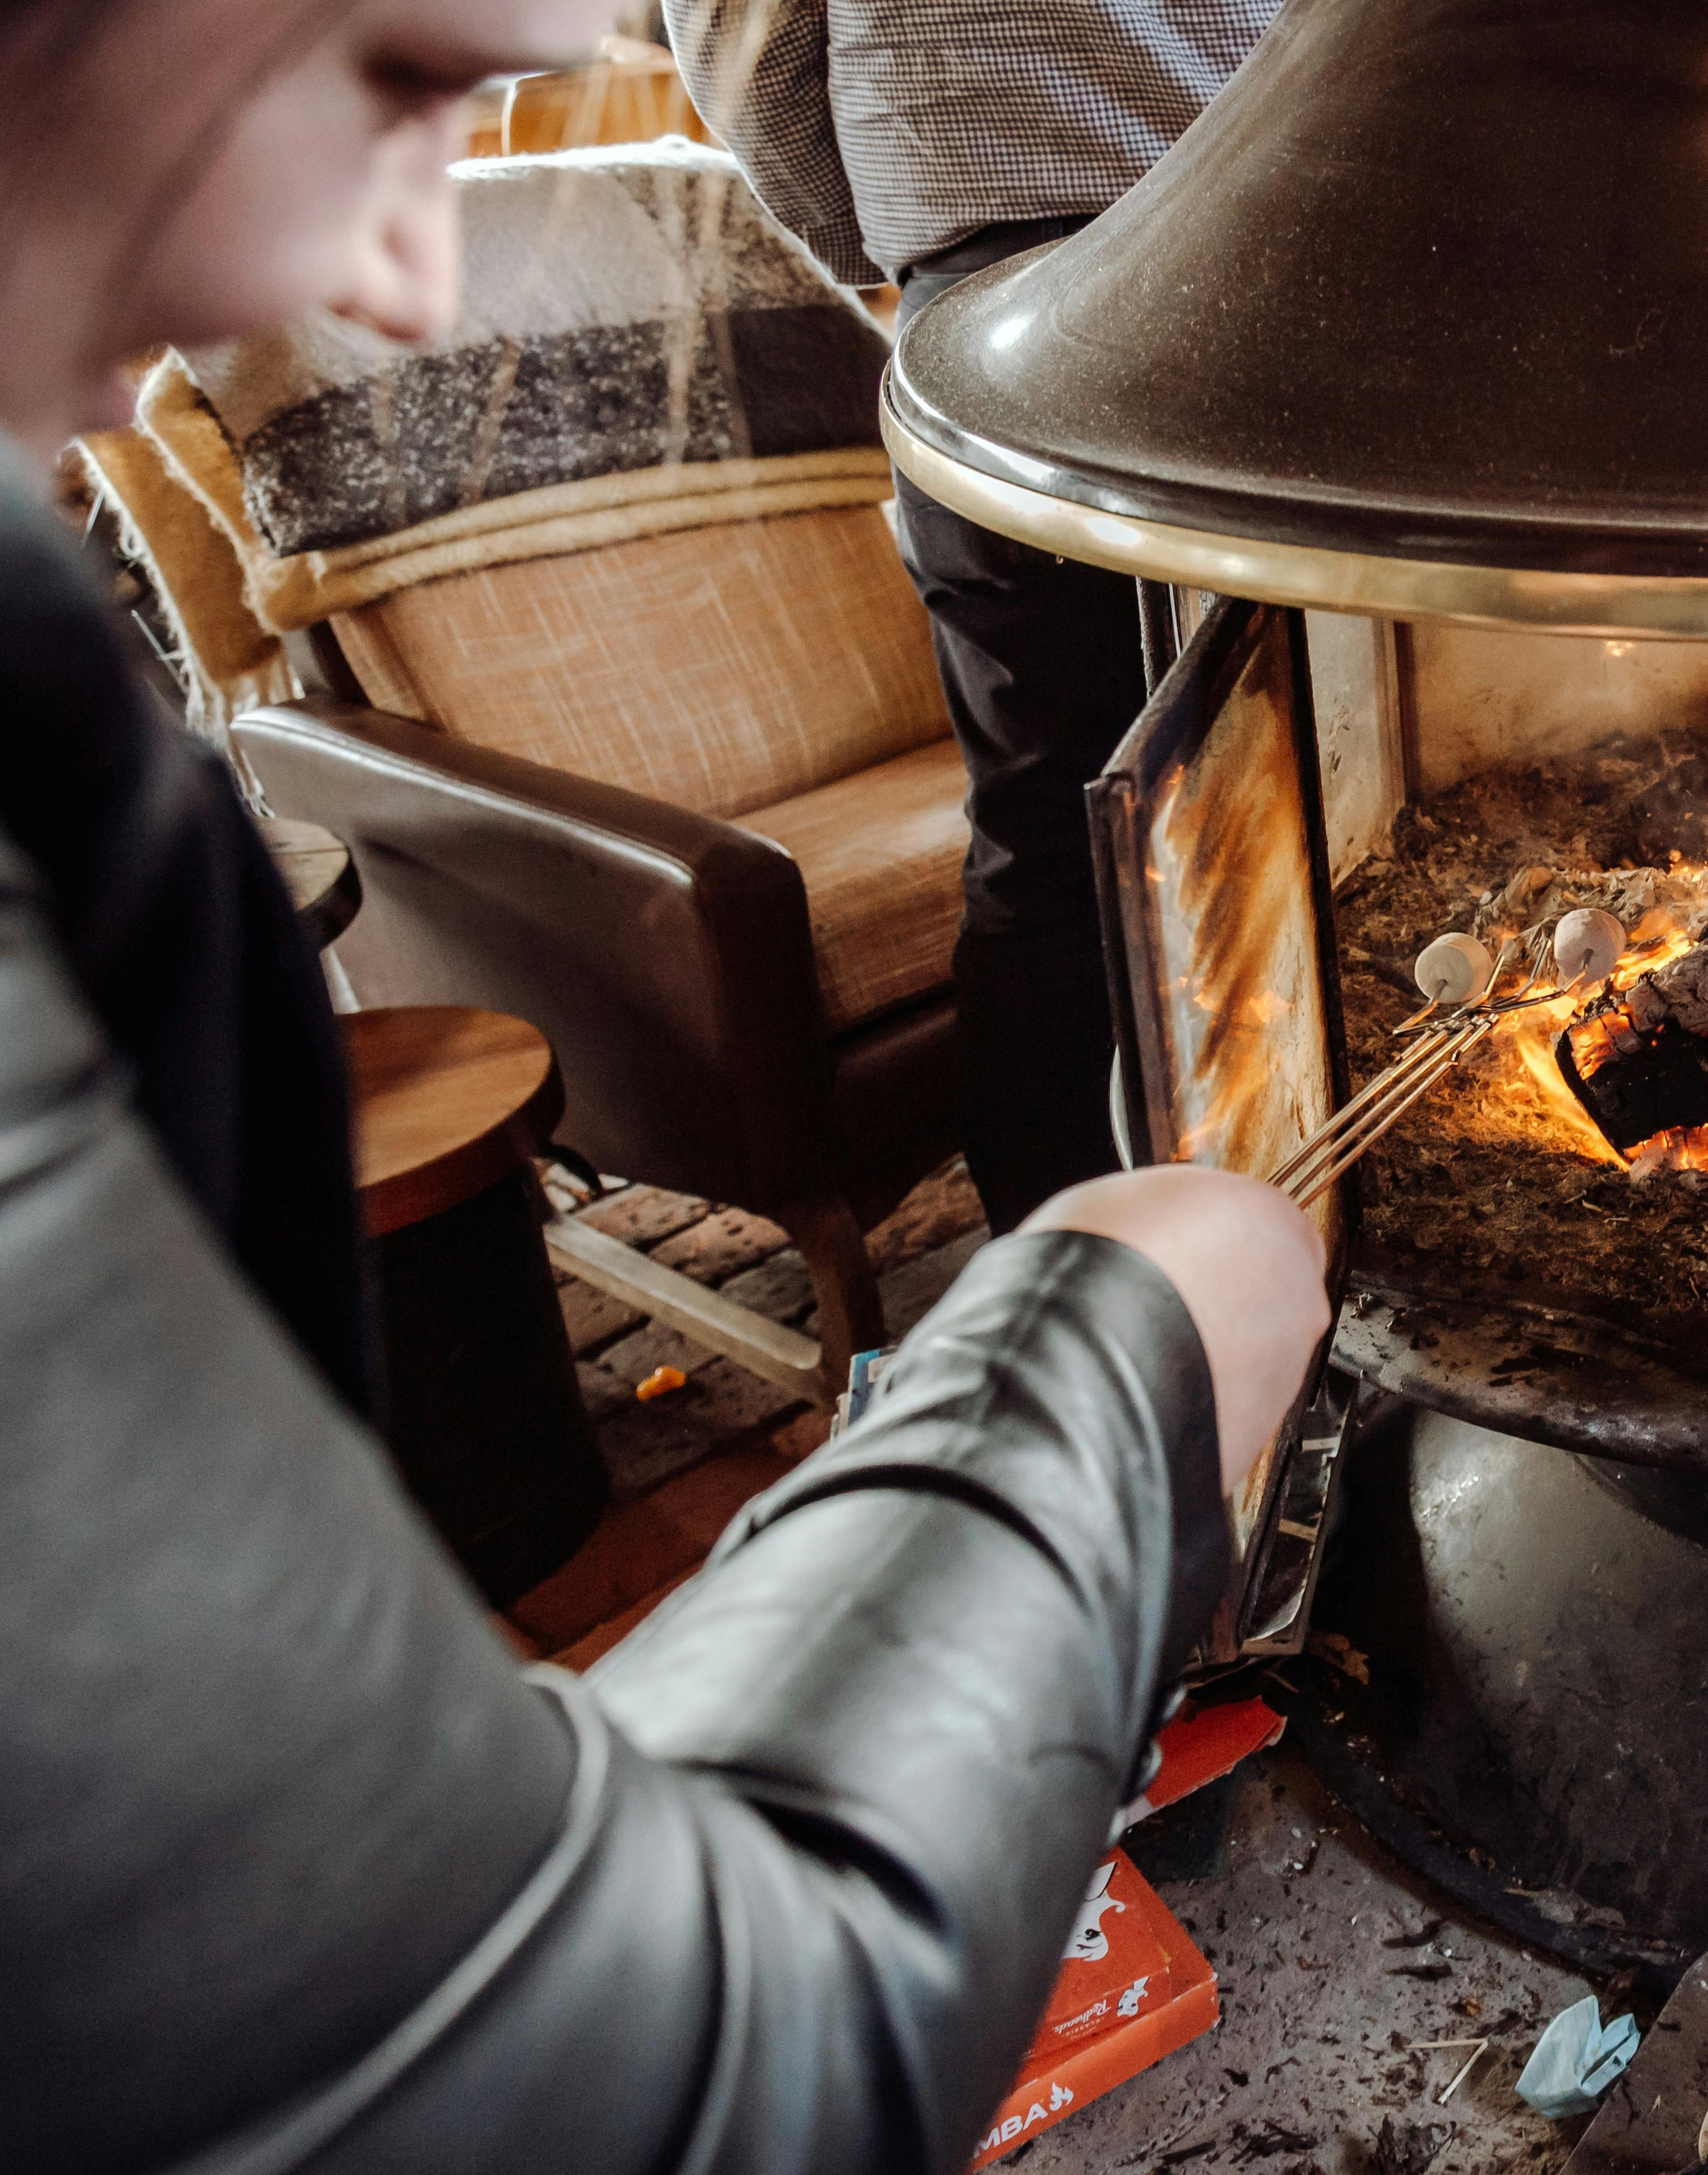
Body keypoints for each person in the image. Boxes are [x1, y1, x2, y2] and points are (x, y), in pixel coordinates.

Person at [0, 3, 1331, 2169]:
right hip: (1047, 297)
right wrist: (1114, 1344)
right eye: (398, 82)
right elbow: (574, 2081)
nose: (412, 297)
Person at [660, 0, 1285, 1235]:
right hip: (1270, 228)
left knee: (1054, 830)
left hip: (1005, 274)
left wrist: (890, 230)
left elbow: (745, 27)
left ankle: (1068, 1286)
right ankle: (1310, 1244)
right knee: (1293, 784)